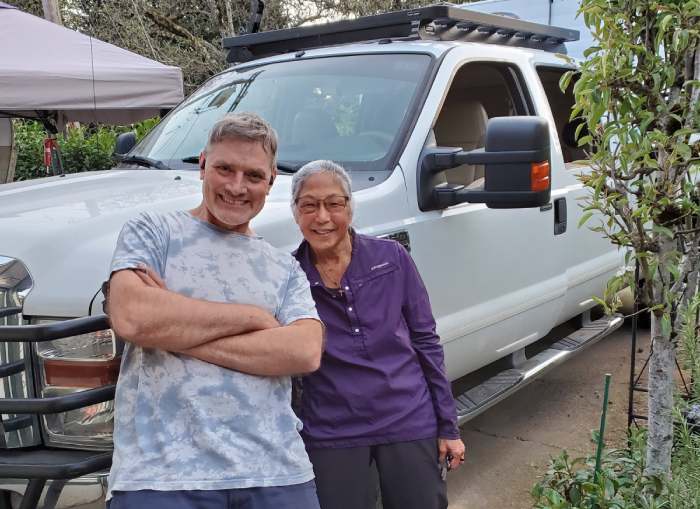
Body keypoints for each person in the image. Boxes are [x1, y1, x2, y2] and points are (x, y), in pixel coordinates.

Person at [106, 113, 324, 509]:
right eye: (225, 169)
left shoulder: (284, 267)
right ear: (203, 165)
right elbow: (133, 317)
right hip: (161, 477)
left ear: (271, 181)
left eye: (253, 176)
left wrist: (174, 330)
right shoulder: (153, 232)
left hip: (277, 471)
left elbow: (305, 351)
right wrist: (255, 319)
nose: (237, 187)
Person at [290, 160, 466, 509]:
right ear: (296, 213)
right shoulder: (290, 275)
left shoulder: (391, 258)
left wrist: (449, 426)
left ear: (350, 208)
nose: (322, 217)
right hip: (332, 427)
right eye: (309, 205)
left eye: (334, 204)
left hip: (405, 414)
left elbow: (426, 341)